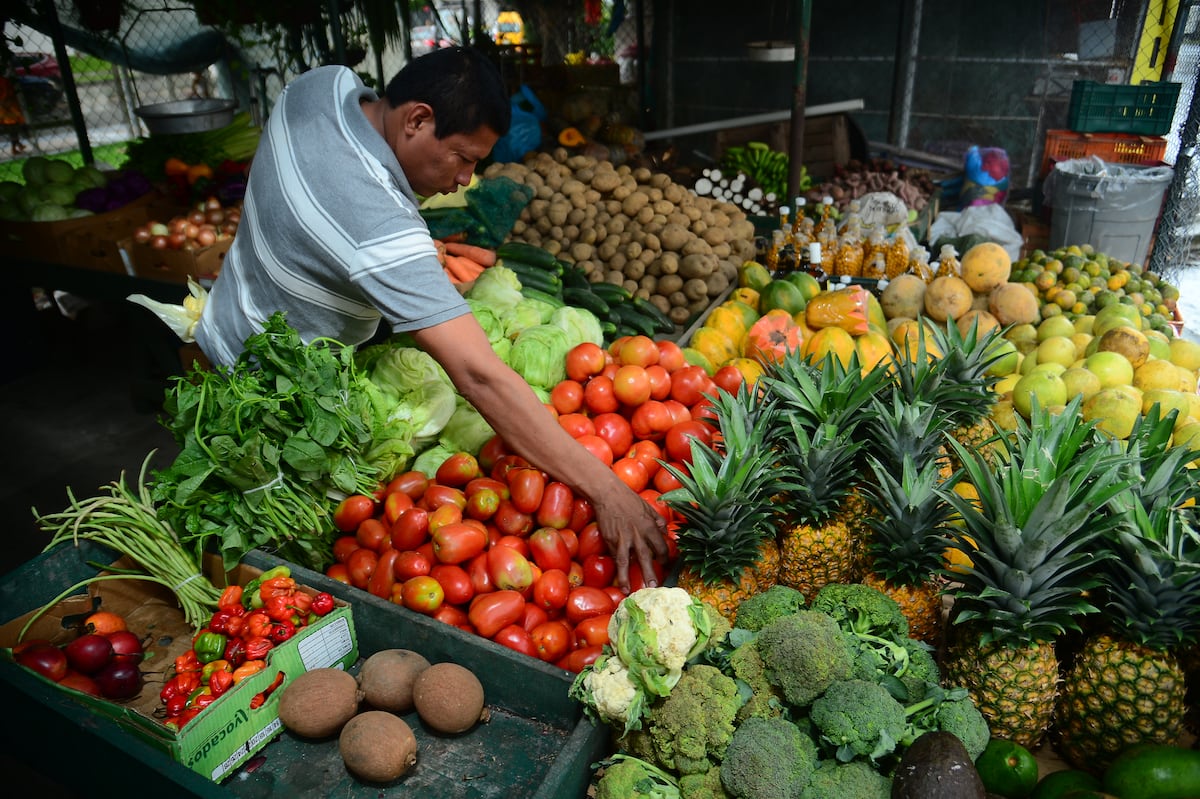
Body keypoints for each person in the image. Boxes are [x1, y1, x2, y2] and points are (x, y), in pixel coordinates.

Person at [193, 47, 668, 591]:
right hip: (274, 401)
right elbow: (480, 374)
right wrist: (608, 490)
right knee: (261, 575)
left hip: (224, 320)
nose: (466, 180)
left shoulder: (320, 87)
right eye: (464, 158)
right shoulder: (382, 228)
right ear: (416, 119)